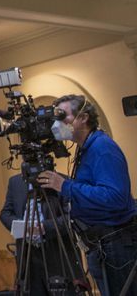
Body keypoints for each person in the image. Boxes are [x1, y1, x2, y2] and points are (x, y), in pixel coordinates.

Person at [37, 94, 136, 296]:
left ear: (83, 117)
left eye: (63, 116)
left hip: (115, 243)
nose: (58, 123)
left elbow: (115, 197)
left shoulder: (102, 147)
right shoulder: (85, 149)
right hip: (100, 244)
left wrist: (65, 186)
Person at [0, 173, 79, 296]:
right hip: (28, 255)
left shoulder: (61, 180)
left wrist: (45, 227)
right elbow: (5, 213)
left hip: (57, 252)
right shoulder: (15, 182)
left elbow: (71, 217)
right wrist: (22, 226)